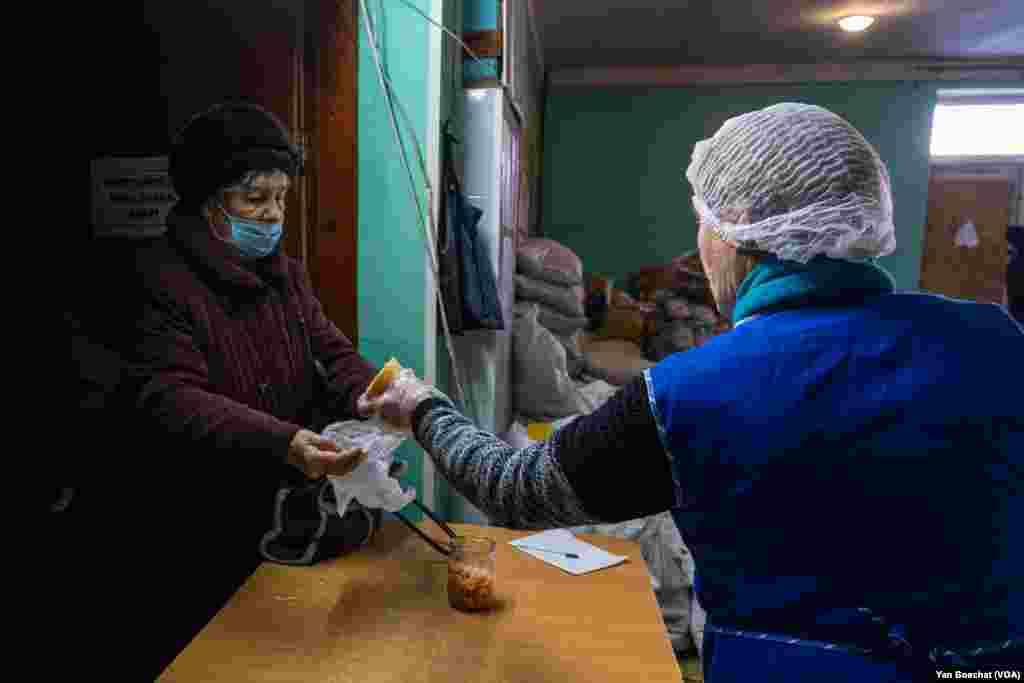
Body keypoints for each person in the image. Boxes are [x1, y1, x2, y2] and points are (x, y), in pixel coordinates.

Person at [360, 103, 1023, 680]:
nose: (699, 246)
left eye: (703, 222)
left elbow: (513, 483)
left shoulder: (692, 394)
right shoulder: (995, 340)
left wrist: (420, 404)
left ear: (737, 229)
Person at [77, 102, 385, 679]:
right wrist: (288, 442)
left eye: (281, 198)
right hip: (185, 530)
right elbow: (170, 396)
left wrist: (386, 395)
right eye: (253, 199)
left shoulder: (286, 276)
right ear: (203, 200)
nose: (272, 216)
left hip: (266, 521)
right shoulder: (156, 278)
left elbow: (332, 353)